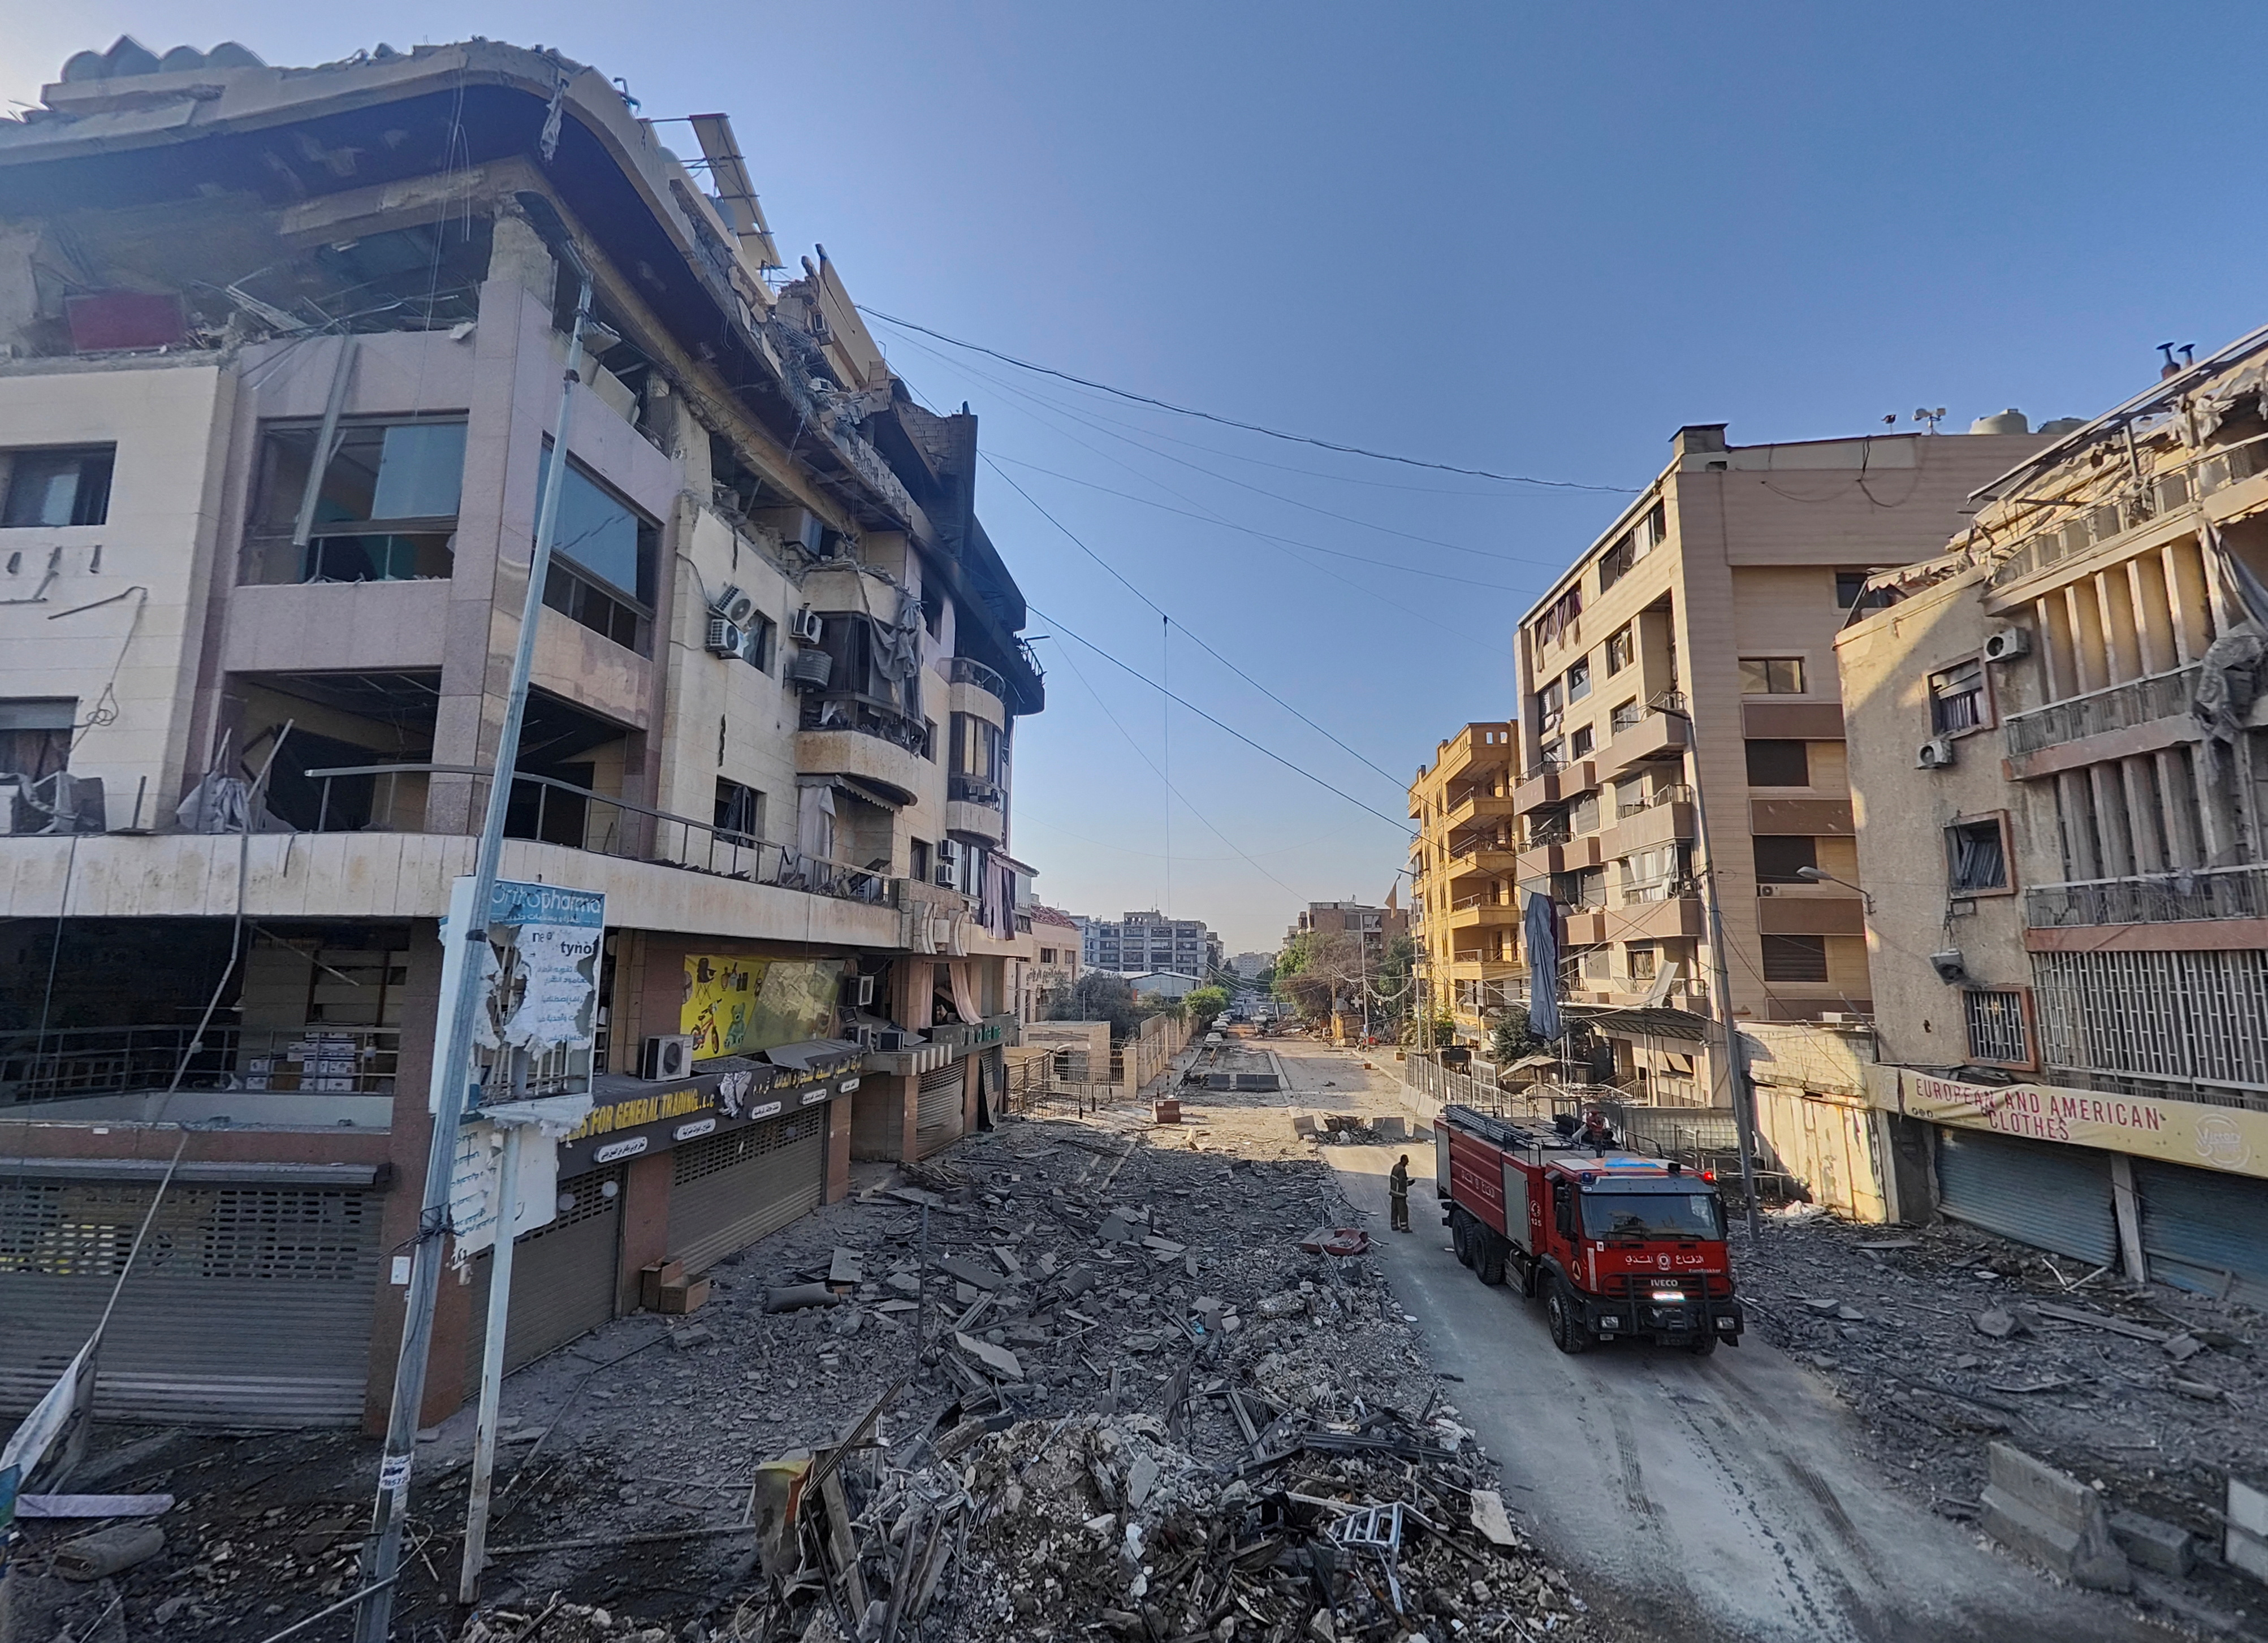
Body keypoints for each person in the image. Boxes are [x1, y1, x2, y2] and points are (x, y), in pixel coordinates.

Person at [1388, 1153, 1411, 1233]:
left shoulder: (1396, 1167)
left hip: (1394, 1192)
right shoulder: (1402, 1170)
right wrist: (1410, 1183)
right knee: (1403, 1211)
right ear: (1404, 1160)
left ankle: (1394, 1225)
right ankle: (1404, 1228)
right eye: (1407, 1161)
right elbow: (1402, 1182)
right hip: (1400, 1194)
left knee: (1394, 1210)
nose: (1407, 1163)